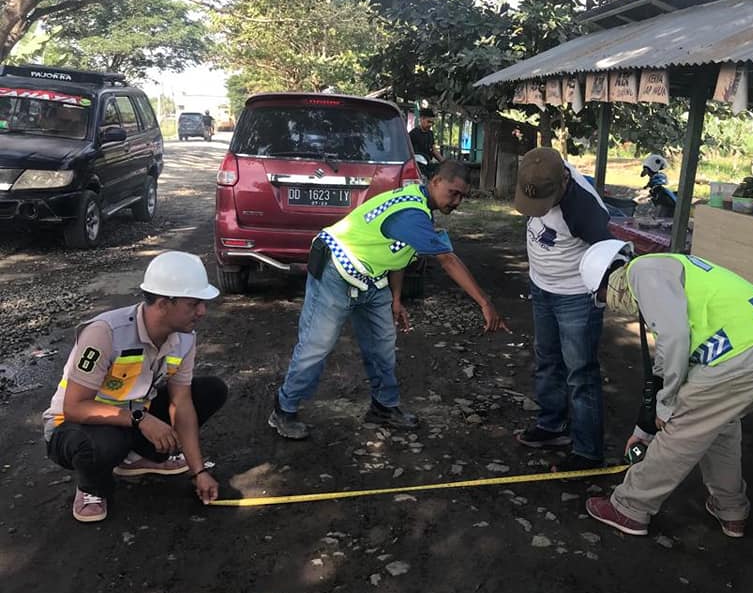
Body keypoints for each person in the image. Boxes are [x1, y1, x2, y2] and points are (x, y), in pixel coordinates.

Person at [268, 160, 509, 441]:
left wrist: (396, 299)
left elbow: (397, 253)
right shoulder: (413, 213)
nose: (456, 202)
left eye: (462, 197)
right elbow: (447, 260)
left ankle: (383, 407)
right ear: (435, 181)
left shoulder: (419, 206)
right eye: (453, 192)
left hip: (371, 276)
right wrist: (485, 302)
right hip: (336, 269)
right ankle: (283, 410)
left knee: (383, 344)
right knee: (317, 345)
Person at [578, 241, 753, 537]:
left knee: (681, 426)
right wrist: (645, 427)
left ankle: (629, 508)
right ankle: (731, 508)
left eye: (604, 299)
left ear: (609, 280)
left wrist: (668, 404)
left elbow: (674, 339)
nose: (612, 307)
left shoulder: (640, 273)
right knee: (720, 424)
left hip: (744, 351)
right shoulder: (667, 266)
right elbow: (665, 359)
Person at [42, 251, 228, 523]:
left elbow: (182, 402)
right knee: (104, 443)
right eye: (194, 304)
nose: (202, 312)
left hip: (134, 417)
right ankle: (90, 487)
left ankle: (135, 457)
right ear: (164, 303)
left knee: (211, 391)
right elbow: (74, 407)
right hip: (74, 426)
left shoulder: (185, 338)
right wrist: (141, 420)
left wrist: (198, 471)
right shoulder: (105, 333)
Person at [513, 147, 614, 470]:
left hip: (575, 297)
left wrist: (599, 294)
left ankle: (587, 451)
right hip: (541, 287)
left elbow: (608, 256)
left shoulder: (584, 208)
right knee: (546, 358)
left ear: (563, 183)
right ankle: (551, 424)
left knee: (580, 372)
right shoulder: (535, 170)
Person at [640, 153, 677, 218]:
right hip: (661, 201)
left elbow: (658, 185)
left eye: (647, 170)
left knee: (661, 217)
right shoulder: (655, 177)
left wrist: (648, 190)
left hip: (666, 202)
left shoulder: (660, 177)